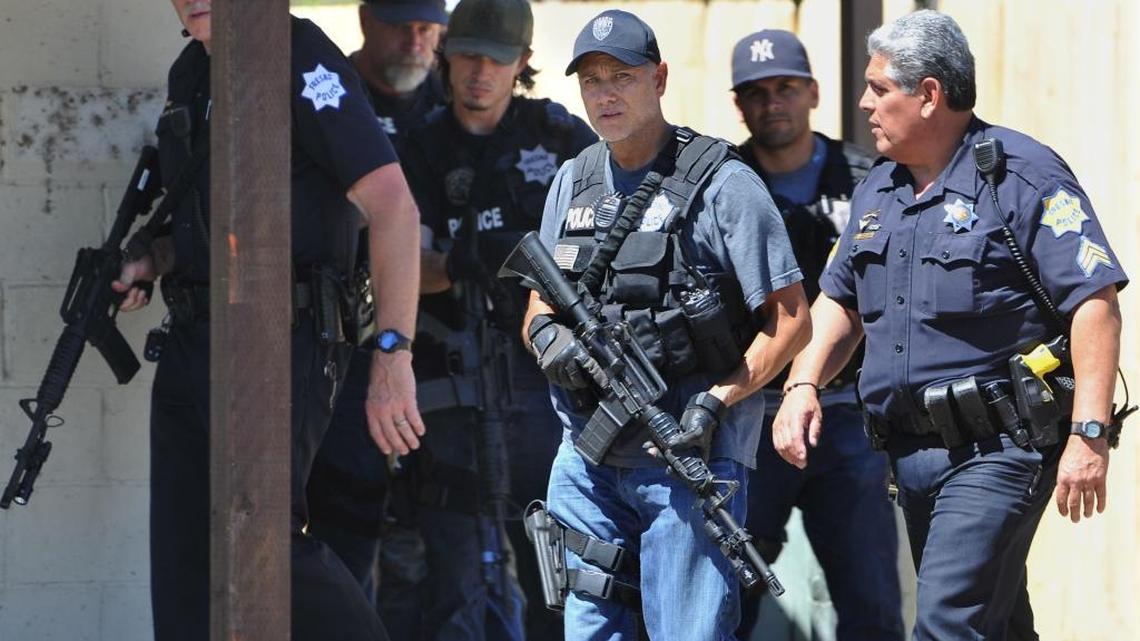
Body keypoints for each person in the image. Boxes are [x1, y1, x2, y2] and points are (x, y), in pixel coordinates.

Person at [773, 10, 1127, 641]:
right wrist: (803, 384)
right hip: (910, 454)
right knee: (997, 624)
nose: (864, 103)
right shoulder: (877, 189)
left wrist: (1089, 434)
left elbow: (1094, 302)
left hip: (998, 451)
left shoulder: (1020, 175)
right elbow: (840, 299)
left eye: (880, 89)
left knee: (945, 625)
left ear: (929, 95)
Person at [113, 1, 424, 639]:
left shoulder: (298, 52)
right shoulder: (190, 71)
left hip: (282, 339)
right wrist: (150, 259)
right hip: (194, 337)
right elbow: (204, 224)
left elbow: (393, 205)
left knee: (263, 539)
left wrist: (393, 356)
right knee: (182, 555)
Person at [524, 9, 811, 639]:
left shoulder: (723, 184)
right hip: (586, 455)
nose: (605, 94)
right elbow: (539, 305)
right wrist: (552, 343)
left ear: (659, 78)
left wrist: (717, 400)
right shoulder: (572, 181)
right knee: (591, 628)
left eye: (621, 76)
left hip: (686, 454)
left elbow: (792, 321)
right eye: (591, 80)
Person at [386, 0, 597, 638]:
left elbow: (615, 238)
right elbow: (396, 267)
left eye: (497, 61)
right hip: (449, 382)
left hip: (544, 385)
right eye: (470, 56)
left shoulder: (559, 139)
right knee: (454, 581)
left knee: (555, 581)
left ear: (523, 65)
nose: (480, 73)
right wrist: (466, 260)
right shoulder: (417, 145)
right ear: (447, 55)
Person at [729, 29, 904, 640]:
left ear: (812, 93)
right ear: (739, 105)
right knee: (727, 597)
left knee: (872, 603)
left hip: (847, 418)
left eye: (785, 87)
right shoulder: (722, 185)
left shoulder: (870, 178)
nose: (771, 102)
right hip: (750, 417)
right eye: (755, 92)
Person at [305, 0, 448, 613]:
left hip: (443, 358)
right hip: (352, 346)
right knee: (348, 526)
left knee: (447, 540)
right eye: (402, 26)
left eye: (428, 28)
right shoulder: (326, 91)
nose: (416, 41)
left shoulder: (453, 101)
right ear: (366, 19)